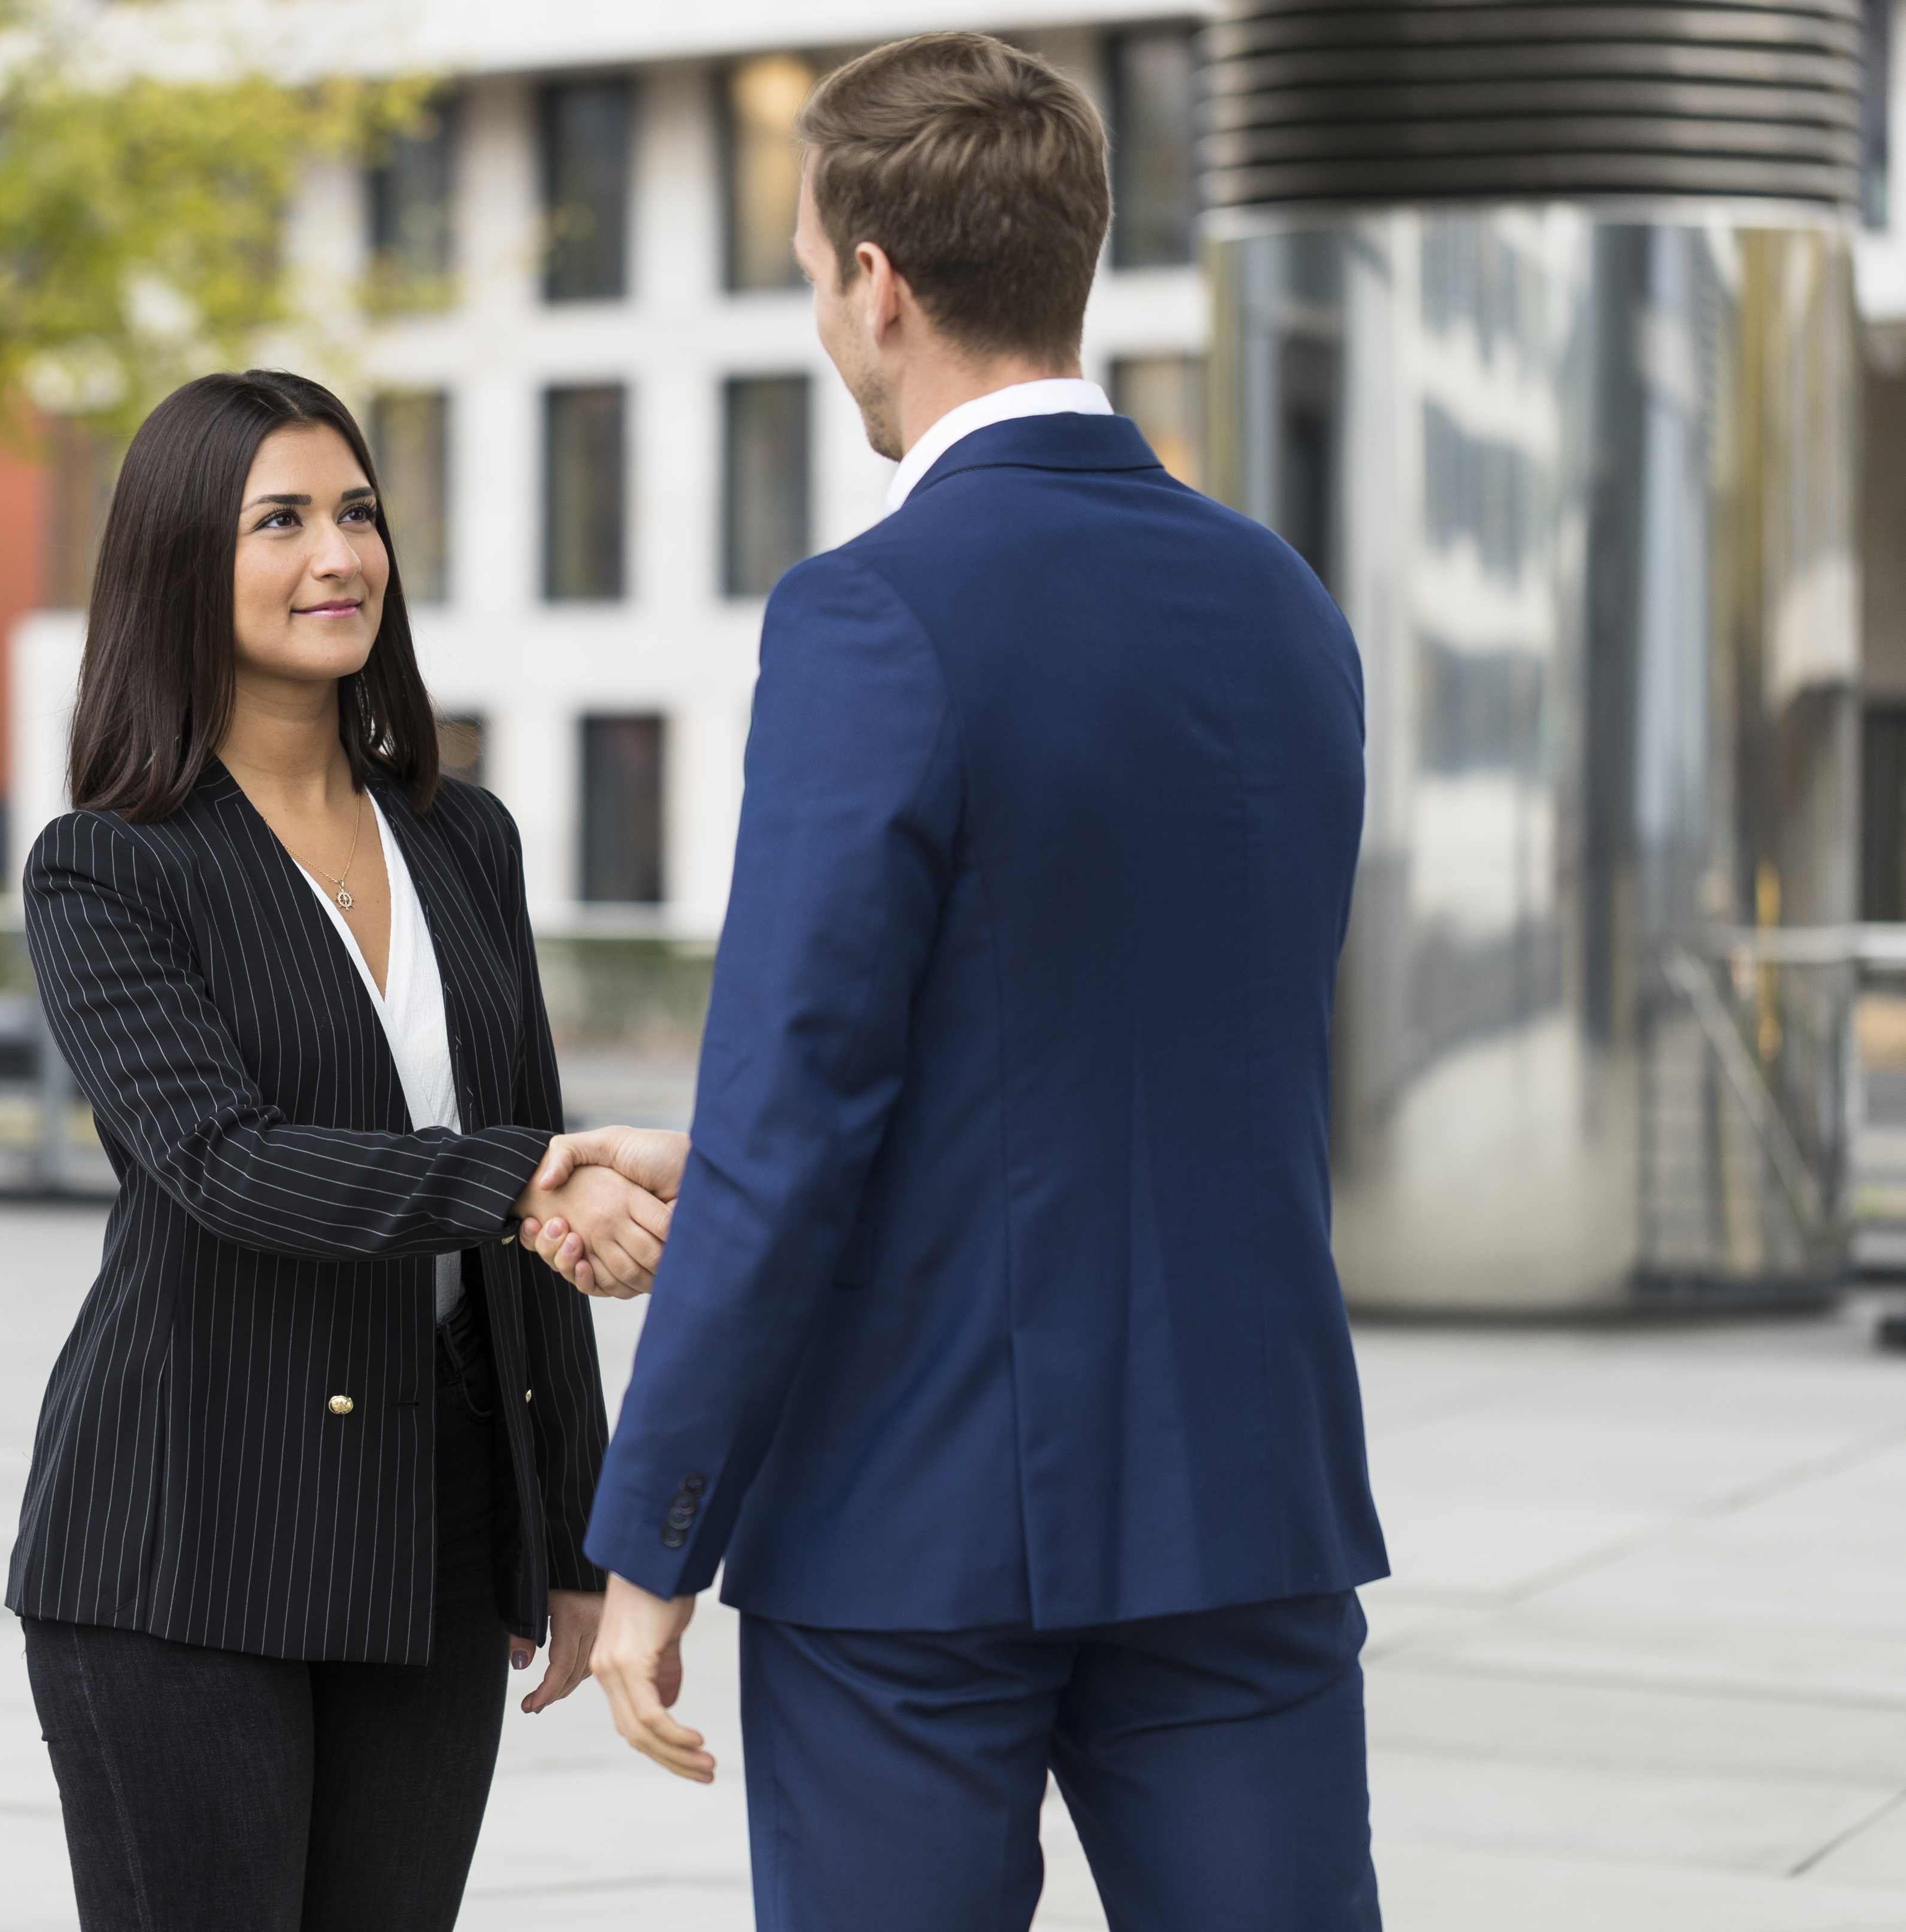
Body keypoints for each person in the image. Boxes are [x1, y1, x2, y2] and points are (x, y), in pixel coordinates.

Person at [536, 34, 1390, 1932]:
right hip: (1239, 1492)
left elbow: (801, 1097)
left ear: (877, 283)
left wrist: (653, 1538)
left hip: (916, 1514)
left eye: (804, 272)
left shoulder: (868, 614)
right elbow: (1141, 1024)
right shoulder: (1282, 606)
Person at [10, 368, 673, 1932]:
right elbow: (225, 1162)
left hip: (427, 1539)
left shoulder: (463, 837)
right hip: (183, 1547)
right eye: (283, 521)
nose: (340, 556)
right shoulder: (107, 867)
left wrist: (571, 1538)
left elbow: (532, 1234)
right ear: (183, 560)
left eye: (359, 513)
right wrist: (516, 1179)